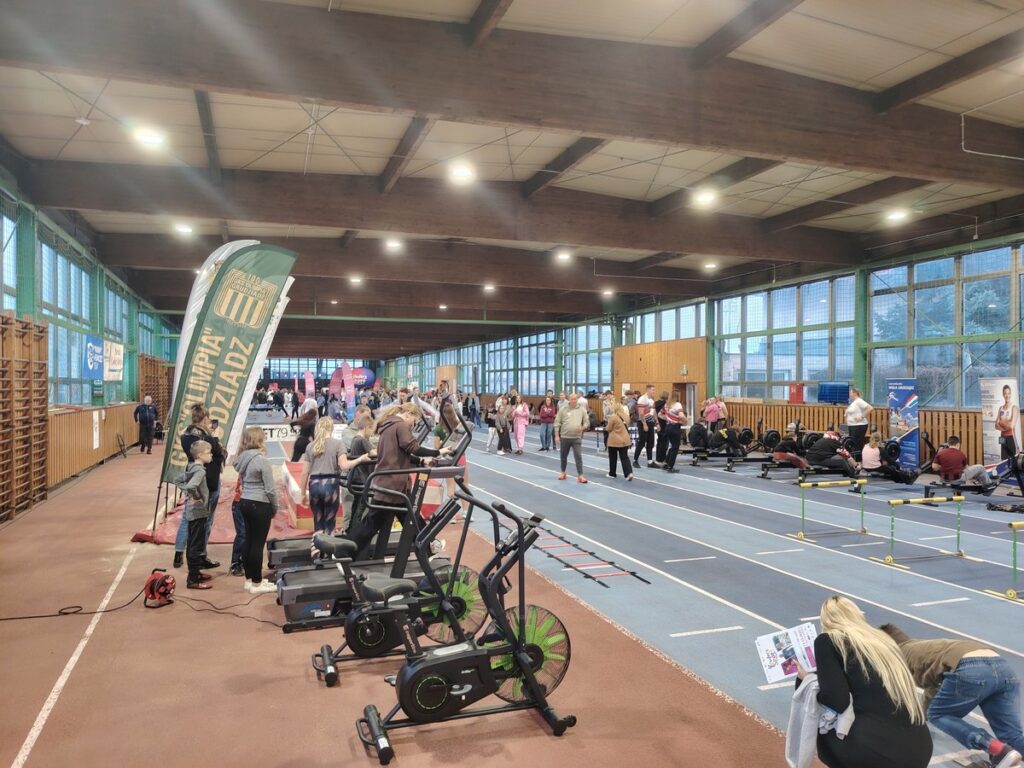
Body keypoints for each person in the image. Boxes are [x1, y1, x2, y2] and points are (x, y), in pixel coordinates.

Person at [795, 596, 932, 768]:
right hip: (921, 749)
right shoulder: (885, 640)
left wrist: (806, 679)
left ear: (826, 620)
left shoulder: (828, 639)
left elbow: (837, 701)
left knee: (821, 725)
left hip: (875, 750)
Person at [879, 624, 1023, 767]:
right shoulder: (919, 648)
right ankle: (1008, 751)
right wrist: (923, 716)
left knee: (938, 715)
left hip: (971, 668)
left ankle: (995, 748)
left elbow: (896, 695)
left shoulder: (898, 656)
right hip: (1003, 668)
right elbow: (934, 687)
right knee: (1011, 735)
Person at [347, 403, 448, 559]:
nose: (413, 426)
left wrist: (422, 462)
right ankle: (344, 551)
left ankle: (429, 547)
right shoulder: (399, 425)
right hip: (392, 484)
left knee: (411, 518)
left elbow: (401, 452)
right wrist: (438, 451)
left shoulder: (389, 425)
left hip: (390, 483)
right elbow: (413, 447)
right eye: (414, 421)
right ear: (408, 414)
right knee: (371, 525)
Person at [299, 417, 373, 536]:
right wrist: (360, 459)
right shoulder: (338, 444)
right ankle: (327, 552)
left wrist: (302, 493)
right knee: (329, 523)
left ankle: (316, 553)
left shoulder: (310, 446)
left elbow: (304, 473)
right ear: (332, 428)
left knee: (318, 523)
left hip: (314, 485)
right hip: (330, 484)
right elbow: (344, 466)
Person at [173, 404, 225, 570]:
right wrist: (215, 437)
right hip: (208, 481)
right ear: (204, 419)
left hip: (193, 477)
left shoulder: (185, 435)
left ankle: (179, 552)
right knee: (206, 520)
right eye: (208, 419)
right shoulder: (207, 438)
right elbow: (218, 452)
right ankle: (200, 556)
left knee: (187, 517)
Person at [231, 427, 278, 594]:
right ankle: (258, 583)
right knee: (257, 543)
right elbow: (270, 489)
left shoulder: (242, 458)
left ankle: (250, 579)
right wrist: (274, 507)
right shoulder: (262, 460)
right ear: (260, 440)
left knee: (249, 540)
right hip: (260, 503)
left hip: (244, 501)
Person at [172, 440, 215, 590]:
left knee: (192, 542)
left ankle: (195, 572)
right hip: (198, 512)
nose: (211, 455)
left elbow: (177, 480)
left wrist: (188, 493)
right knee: (195, 545)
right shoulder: (201, 470)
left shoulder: (191, 467)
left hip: (192, 510)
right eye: (209, 452)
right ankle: (193, 579)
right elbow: (191, 486)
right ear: (201, 454)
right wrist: (196, 496)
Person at [554, 392, 589, 483]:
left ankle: (580, 475)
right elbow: (557, 423)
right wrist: (557, 436)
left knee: (578, 456)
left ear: (577, 399)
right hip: (565, 437)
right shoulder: (563, 409)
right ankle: (562, 472)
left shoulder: (582, 410)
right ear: (569, 399)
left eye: (575, 399)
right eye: (572, 399)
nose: (574, 400)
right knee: (563, 456)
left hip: (576, 438)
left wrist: (582, 428)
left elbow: (587, 422)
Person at [605, 400, 634, 481]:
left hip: (614, 440)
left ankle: (612, 473)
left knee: (613, 458)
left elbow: (609, 428)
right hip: (625, 439)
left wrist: (606, 428)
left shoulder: (613, 417)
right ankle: (629, 473)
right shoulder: (626, 416)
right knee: (624, 457)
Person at [634, 384, 659, 468]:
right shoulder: (642, 399)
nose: (654, 391)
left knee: (650, 442)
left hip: (651, 423)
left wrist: (657, 423)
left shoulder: (652, 400)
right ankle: (635, 461)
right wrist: (644, 424)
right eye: (652, 390)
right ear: (648, 390)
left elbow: (654, 412)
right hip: (643, 423)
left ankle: (650, 461)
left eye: (654, 390)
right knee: (642, 442)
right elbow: (641, 413)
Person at [660, 402, 687, 473]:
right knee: (675, 447)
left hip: (668, 427)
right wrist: (685, 420)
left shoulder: (666, 405)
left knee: (672, 446)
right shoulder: (677, 404)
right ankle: (670, 467)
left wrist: (668, 419)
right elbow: (681, 415)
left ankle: (666, 463)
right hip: (675, 427)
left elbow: (659, 414)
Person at [996, 384, 1020, 461]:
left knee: (1014, 459)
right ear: (1003, 394)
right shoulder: (1000, 408)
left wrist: (1001, 422)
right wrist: (1006, 423)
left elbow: (1011, 426)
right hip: (1002, 437)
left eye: (1008, 393)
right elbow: (996, 425)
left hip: (1011, 437)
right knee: (1003, 459)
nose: (1007, 396)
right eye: (1005, 393)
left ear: (1011, 394)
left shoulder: (1014, 407)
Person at [654, 390, 670, 465]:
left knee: (659, 441)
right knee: (664, 442)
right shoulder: (664, 404)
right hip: (664, 424)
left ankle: (658, 458)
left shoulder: (656, 403)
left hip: (657, 424)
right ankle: (662, 458)